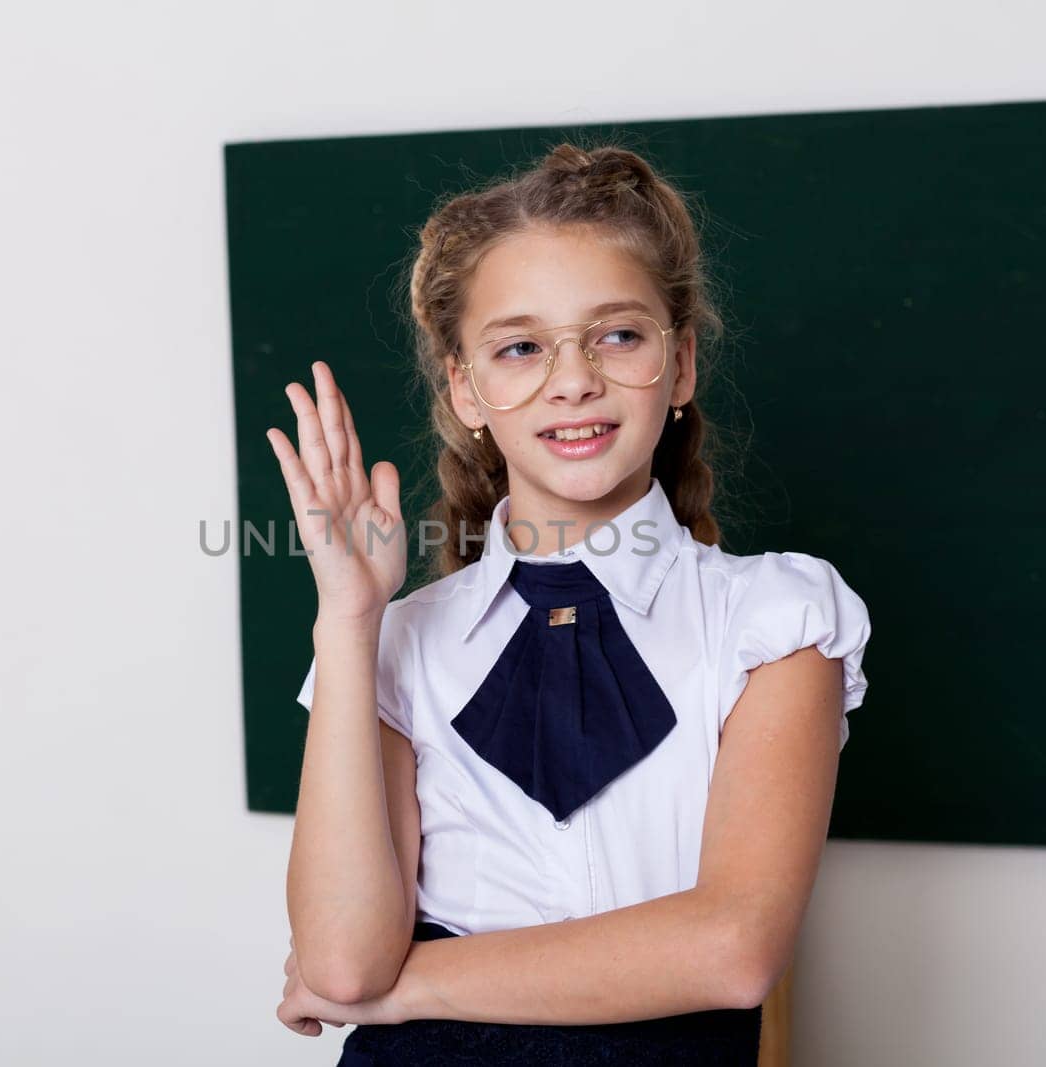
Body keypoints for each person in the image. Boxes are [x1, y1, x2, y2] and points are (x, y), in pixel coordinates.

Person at [265, 142, 872, 1065]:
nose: (574, 378)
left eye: (618, 335)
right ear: (465, 388)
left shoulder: (774, 620)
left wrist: (412, 985)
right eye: (519, 347)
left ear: (682, 365)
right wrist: (350, 619)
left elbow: (732, 950)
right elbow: (345, 965)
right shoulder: (398, 645)